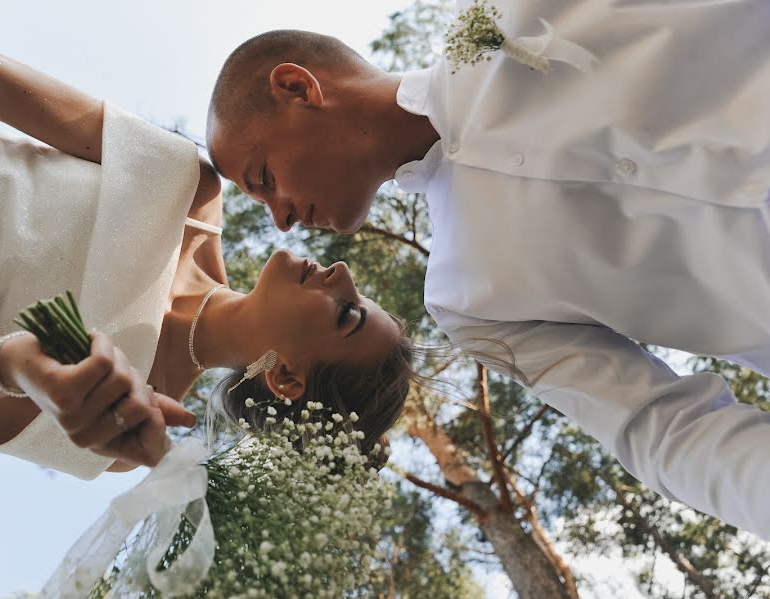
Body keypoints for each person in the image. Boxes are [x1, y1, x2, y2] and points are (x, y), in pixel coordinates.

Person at [205, 2, 770, 538]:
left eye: (262, 180)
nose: (279, 220)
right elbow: (659, 427)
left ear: (298, 88)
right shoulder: (467, 300)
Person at [0, 0, 411, 480]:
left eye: (349, 315)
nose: (343, 276)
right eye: (362, 295)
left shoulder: (121, 430)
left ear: (286, 378)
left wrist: (11, 363)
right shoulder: (190, 190)